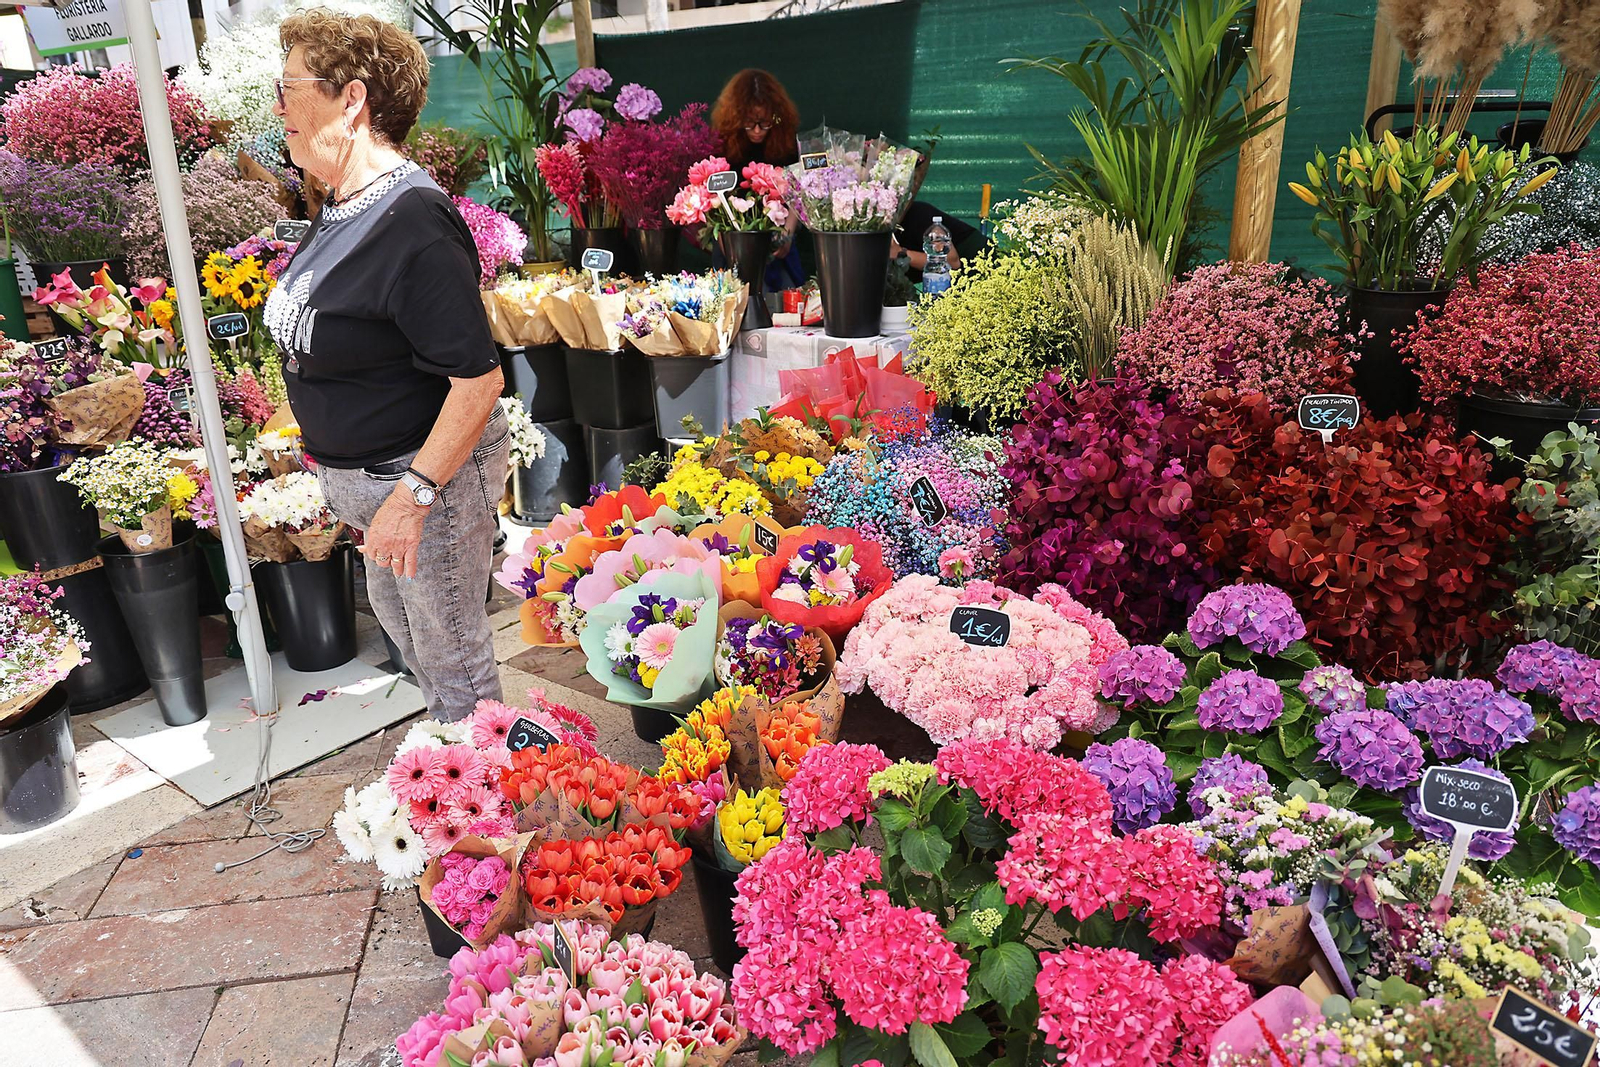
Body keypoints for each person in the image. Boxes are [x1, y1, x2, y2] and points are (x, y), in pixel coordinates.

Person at [266, 9, 510, 721]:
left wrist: (413, 497)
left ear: (352, 99)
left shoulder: (412, 219)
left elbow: (479, 380)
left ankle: (491, 811)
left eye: (289, 86)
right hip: (371, 487)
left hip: (416, 482)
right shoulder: (342, 204)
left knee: (454, 662)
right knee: (418, 648)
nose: (278, 105)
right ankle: (458, 794)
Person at [711, 69, 802, 289]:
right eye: (749, 123)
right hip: (731, 242)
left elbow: (798, 193)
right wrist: (730, 248)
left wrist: (787, 235)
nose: (758, 131)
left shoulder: (786, 143)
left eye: (765, 123)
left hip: (777, 240)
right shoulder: (722, 144)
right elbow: (712, 202)